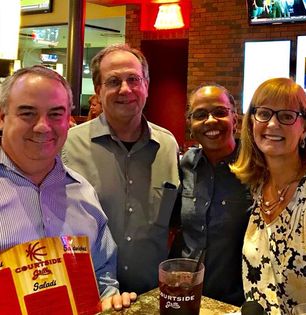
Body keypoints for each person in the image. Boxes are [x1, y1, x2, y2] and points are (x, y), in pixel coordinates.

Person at [0, 65, 137, 312]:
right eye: (28, 113)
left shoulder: (83, 193)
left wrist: (109, 299)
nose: (43, 126)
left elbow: (103, 276)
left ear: (68, 120)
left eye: (55, 114)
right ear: (2, 118)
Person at [62, 44, 180, 294]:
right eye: (113, 81)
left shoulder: (168, 146)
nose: (125, 89)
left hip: (151, 296)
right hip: (89, 297)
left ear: (146, 85)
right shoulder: (67, 147)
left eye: (134, 79)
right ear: (98, 90)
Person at [230, 78, 306, 314]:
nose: (273, 124)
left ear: (305, 128)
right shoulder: (256, 186)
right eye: (264, 114)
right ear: (251, 123)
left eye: (287, 116)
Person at [173, 84, 252, 306]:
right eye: (200, 115)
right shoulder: (185, 166)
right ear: (190, 124)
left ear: (234, 119)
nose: (210, 121)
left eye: (219, 112)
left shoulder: (257, 168)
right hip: (186, 296)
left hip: (235, 302)